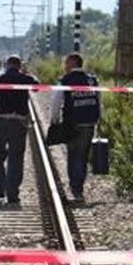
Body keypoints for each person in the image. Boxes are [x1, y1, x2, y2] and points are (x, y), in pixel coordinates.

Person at [0, 55, 39, 204]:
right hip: (18, 122)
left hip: (0, 121)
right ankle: (13, 194)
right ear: (19, 65)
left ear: (6, 65)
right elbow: (37, 87)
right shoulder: (25, 78)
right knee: (16, 157)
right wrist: (27, 74)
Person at [50, 53, 100, 201]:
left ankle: (74, 187)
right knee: (83, 156)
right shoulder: (92, 80)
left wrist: (54, 120)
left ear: (72, 63)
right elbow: (99, 99)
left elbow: (56, 101)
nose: (65, 66)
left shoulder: (65, 80)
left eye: (66, 63)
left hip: (72, 122)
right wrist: (99, 119)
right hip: (89, 122)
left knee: (72, 154)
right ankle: (78, 188)